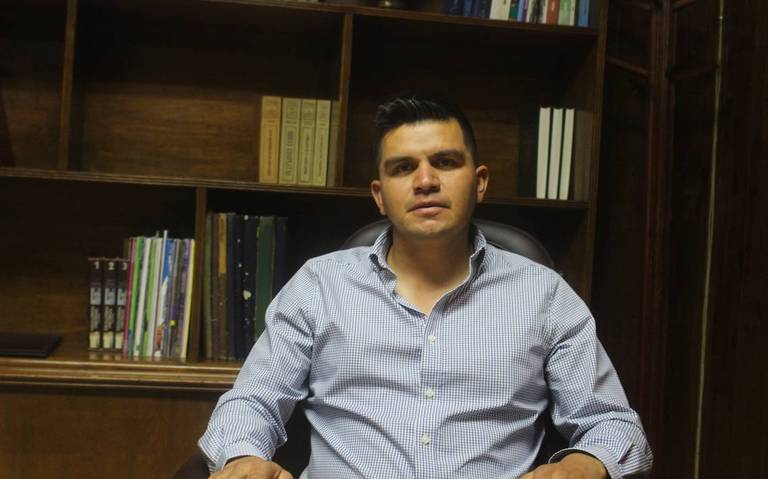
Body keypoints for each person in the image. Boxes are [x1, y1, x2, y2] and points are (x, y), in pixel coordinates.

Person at [199, 92, 653, 479]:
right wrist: (243, 457)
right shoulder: (320, 285)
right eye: (403, 168)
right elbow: (252, 402)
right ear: (379, 195)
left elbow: (614, 424)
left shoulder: (544, 295)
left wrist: (582, 464)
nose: (425, 181)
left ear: (479, 182)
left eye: (445, 162)